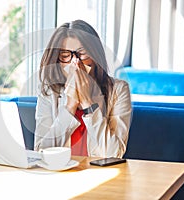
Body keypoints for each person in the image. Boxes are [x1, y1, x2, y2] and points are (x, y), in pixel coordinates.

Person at [34, 19, 132, 158]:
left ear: (95, 55)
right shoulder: (49, 92)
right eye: (66, 55)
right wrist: (70, 106)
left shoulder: (118, 90)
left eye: (82, 53)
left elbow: (114, 154)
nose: (76, 62)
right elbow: (41, 152)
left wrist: (87, 103)